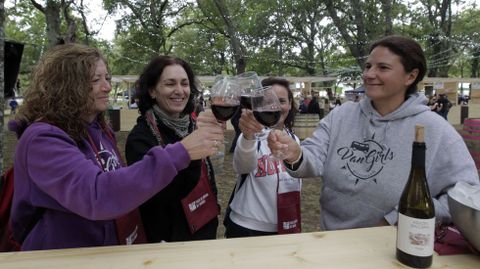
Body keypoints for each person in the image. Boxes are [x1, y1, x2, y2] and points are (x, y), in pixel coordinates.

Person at [9, 44, 224, 250]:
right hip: (63, 259)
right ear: (66, 86)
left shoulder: (99, 129)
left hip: (108, 255)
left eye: (107, 78)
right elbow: (97, 195)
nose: (107, 87)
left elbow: (122, 186)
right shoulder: (42, 140)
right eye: (95, 80)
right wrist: (181, 152)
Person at [268, 36, 479, 231]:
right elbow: (313, 158)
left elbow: (466, 195)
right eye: (368, 66)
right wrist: (295, 154)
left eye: (383, 67)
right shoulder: (341, 115)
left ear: (411, 76)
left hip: (394, 248)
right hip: (331, 241)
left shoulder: (436, 130)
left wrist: (402, 216)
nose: (369, 74)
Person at [125, 56, 222, 242]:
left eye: (184, 84)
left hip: (203, 230)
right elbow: (161, 195)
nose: (179, 91)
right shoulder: (141, 138)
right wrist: (190, 153)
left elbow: (210, 180)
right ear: (153, 91)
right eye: (170, 84)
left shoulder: (193, 126)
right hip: (168, 241)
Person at [224, 77, 301, 238]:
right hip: (248, 227)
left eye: (282, 101)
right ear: (257, 105)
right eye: (268, 101)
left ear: (290, 104)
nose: (276, 106)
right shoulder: (252, 137)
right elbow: (241, 167)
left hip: (286, 224)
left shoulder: (294, 140)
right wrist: (248, 137)